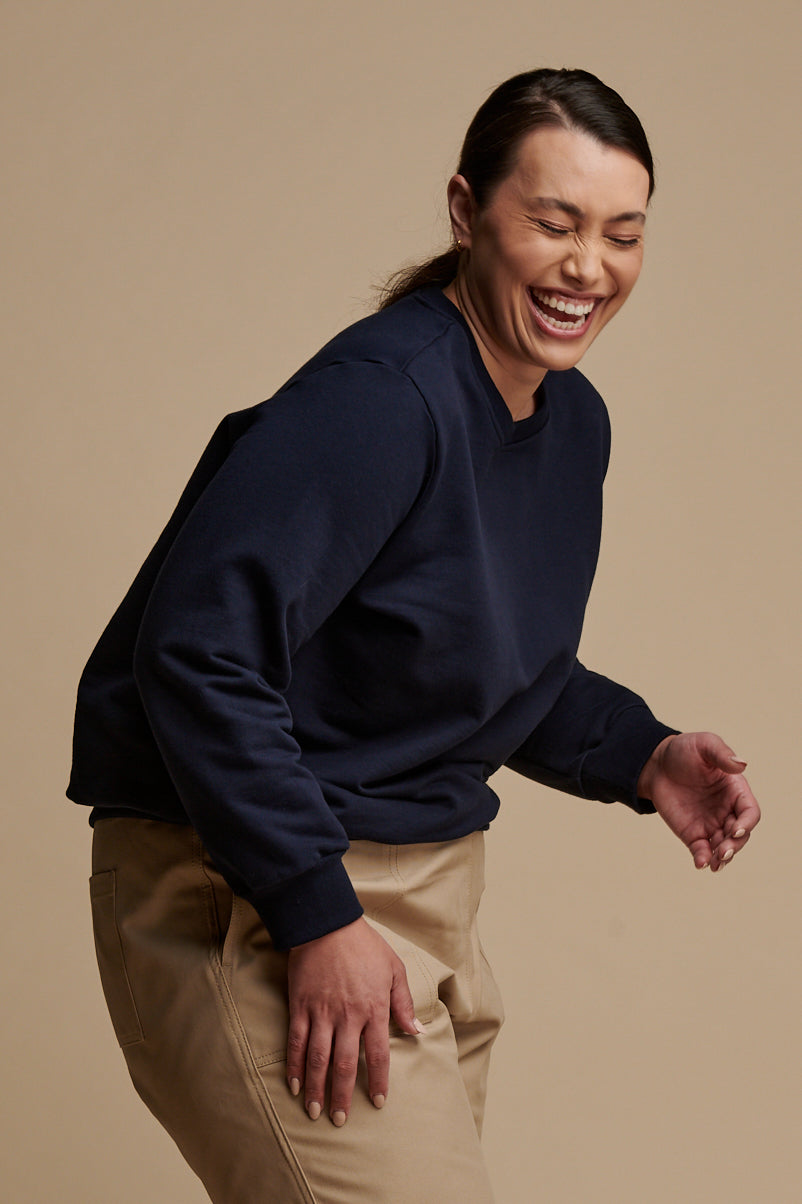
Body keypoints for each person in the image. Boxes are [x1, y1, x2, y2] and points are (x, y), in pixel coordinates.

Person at [68, 68, 760, 1204]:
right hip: (253, 890)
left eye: (622, 234)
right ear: (464, 211)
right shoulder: (382, 399)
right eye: (554, 222)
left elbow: (477, 660)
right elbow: (197, 649)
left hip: (419, 902)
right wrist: (312, 908)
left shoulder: (567, 419)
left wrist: (644, 751)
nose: (589, 266)